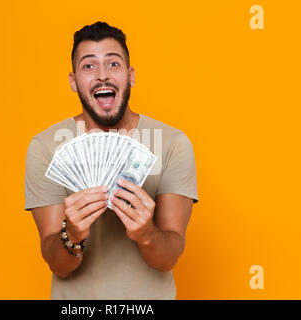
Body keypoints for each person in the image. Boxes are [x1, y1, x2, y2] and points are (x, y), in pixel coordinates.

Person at [24, 21, 198, 299]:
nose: (102, 76)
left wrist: (147, 233)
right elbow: (57, 264)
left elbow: (168, 259)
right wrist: (72, 235)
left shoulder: (173, 144)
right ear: (73, 81)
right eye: (89, 66)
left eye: (113, 64)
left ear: (130, 76)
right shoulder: (45, 147)